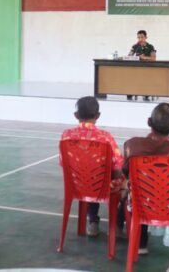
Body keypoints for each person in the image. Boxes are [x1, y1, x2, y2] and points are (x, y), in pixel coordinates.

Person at [121, 103, 169, 254]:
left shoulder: (132, 145)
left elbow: (126, 172)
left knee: (135, 188)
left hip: (141, 202)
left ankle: (140, 243)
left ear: (149, 122)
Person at [59, 96, 124, 237]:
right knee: (119, 181)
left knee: (89, 177)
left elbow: (63, 163)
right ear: (97, 116)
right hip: (102, 186)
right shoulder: (106, 137)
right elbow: (118, 166)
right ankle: (118, 225)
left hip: (77, 185)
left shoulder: (66, 136)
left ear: (76, 115)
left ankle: (93, 221)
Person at [127, 30, 157, 101]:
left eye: (142, 37)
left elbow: (154, 58)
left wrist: (145, 57)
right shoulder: (135, 46)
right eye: (138, 37)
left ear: (146, 37)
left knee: (146, 78)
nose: (140, 39)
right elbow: (129, 56)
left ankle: (146, 93)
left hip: (148, 69)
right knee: (131, 76)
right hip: (137, 68)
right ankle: (130, 92)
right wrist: (137, 57)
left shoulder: (150, 46)